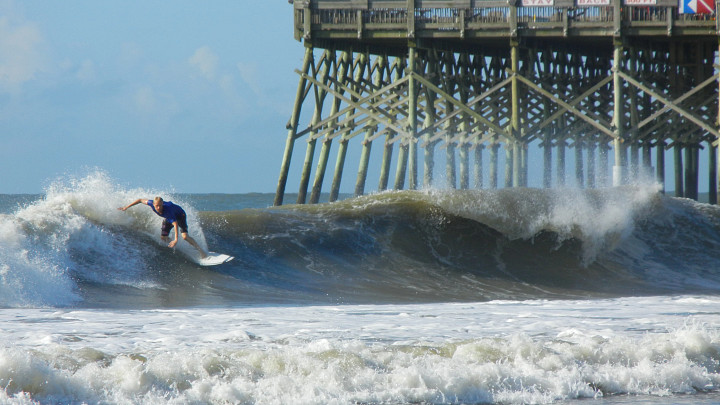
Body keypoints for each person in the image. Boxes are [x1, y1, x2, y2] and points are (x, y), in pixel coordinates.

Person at [119, 197, 208, 259]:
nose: (159, 208)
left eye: (160, 205)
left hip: (180, 215)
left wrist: (176, 239)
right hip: (169, 217)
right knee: (163, 238)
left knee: (185, 237)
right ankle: (176, 245)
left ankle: (201, 251)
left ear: (162, 204)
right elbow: (140, 200)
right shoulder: (151, 203)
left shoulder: (167, 211)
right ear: (153, 204)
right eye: (157, 206)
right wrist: (126, 207)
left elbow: (175, 224)